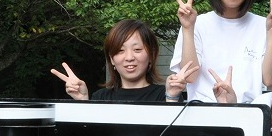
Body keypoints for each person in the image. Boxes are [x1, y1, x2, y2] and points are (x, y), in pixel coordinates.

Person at [50, 19, 196, 103]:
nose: (129, 57)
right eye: (120, 51)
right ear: (111, 59)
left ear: (151, 55)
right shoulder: (100, 98)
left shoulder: (162, 95)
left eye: (137, 50)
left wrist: (171, 97)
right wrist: (82, 100)